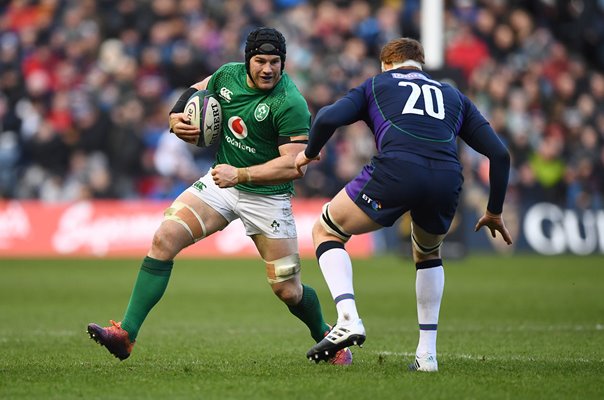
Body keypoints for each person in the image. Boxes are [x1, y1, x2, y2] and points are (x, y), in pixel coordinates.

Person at [87, 27, 352, 365]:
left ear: (284, 63)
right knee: (164, 238)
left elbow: (294, 165)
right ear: (247, 61)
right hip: (221, 185)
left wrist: (240, 174)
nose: (268, 69)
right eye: (260, 61)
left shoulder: (290, 103)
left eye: (275, 62)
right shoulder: (228, 74)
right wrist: (175, 116)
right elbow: (198, 88)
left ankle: (327, 338)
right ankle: (126, 334)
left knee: (288, 290)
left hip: (268, 197)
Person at [295, 37, 513, 372]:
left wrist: (309, 154)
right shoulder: (453, 94)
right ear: (420, 63)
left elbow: (325, 118)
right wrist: (494, 210)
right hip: (446, 176)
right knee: (427, 254)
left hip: (397, 168)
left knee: (326, 230)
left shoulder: (376, 84)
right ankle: (427, 356)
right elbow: (499, 154)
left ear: (386, 64)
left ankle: (348, 318)